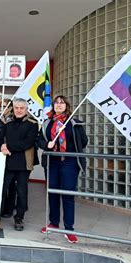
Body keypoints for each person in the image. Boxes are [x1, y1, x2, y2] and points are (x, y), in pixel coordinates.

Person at [37, 95, 88, 244]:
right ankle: (53, 223)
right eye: (56, 103)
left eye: (62, 103)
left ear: (66, 105)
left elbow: (84, 142)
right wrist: (47, 145)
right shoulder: (47, 122)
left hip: (70, 162)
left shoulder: (74, 123)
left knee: (67, 194)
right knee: (52, 193)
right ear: (53, 105)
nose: (59, 105)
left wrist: (74, 133)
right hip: (52, 162)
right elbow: (39, 140)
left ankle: (68, 229)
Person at [0, 99, 38, 231]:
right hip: (8, 162)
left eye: (22, 108)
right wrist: (2, 147)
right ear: (13, 109)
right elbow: (2, 139)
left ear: (26, 109)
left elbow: (27, 143)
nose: (19, 110)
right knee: (3, 189)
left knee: (22, 191)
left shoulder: (32, 124)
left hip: (23, 163)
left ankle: (19, 217)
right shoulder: (7, 124)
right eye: (16, 107)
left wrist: (8, 146)